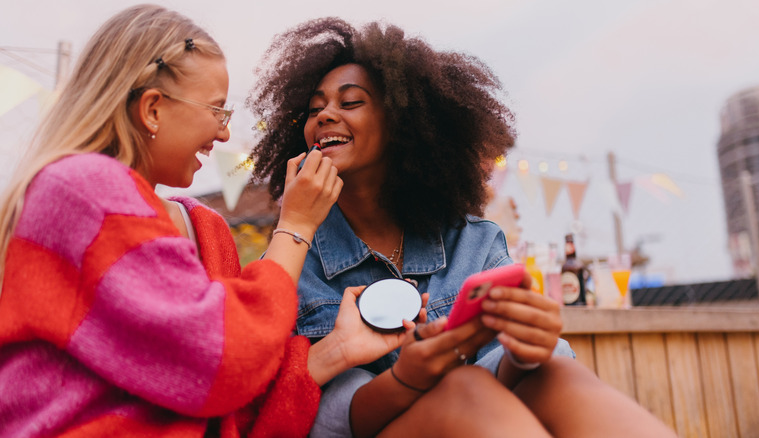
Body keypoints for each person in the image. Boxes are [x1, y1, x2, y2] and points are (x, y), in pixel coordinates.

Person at [249, 17, 677, 438]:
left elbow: (509, 367)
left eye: (350, 102)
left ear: (401, 123)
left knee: (554, 374)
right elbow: (325, 418)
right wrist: (407, 380)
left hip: (484, 415)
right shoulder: (292, 263)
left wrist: (527, 347)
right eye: (314, 109)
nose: (325, 115)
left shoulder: (475, 242)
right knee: (464, 387)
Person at [0, 6, 410, 437]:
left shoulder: (206, 229)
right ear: (153, 109)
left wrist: (337, 349)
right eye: (217, 110)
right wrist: (296, 226)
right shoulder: (81, 190)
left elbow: (232, 406)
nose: (225, 134)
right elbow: (225, 361)